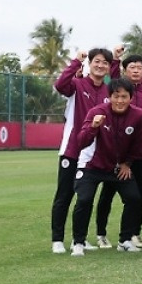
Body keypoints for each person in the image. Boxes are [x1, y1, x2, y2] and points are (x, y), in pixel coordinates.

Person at [50, 46, 119, 253]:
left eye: (105, 63)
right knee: (65, 195)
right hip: (73, 150)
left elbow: (116, 84)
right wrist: (75, 62)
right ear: (89, 63)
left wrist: (115, 60)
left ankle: (78, 239)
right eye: (96, 61)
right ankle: (57, 240)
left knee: (85, 198)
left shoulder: (108, 88)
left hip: (95, 154)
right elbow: (60, 85)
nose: (100, 66)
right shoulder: (77, 85)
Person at [69, 78, 142, 255]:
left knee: (134, 198)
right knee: (84, 199)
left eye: (124, 96)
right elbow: (81, 141)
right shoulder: (96, 112)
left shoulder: (140, 115)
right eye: (116, 96)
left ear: (131, 97)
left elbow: (140, 144)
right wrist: (93, 126)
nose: (120, 100)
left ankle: (124, 240)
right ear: (109, 96)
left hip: (118, 167)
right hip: (92, 165)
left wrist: (127, 163)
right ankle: (78, 242)